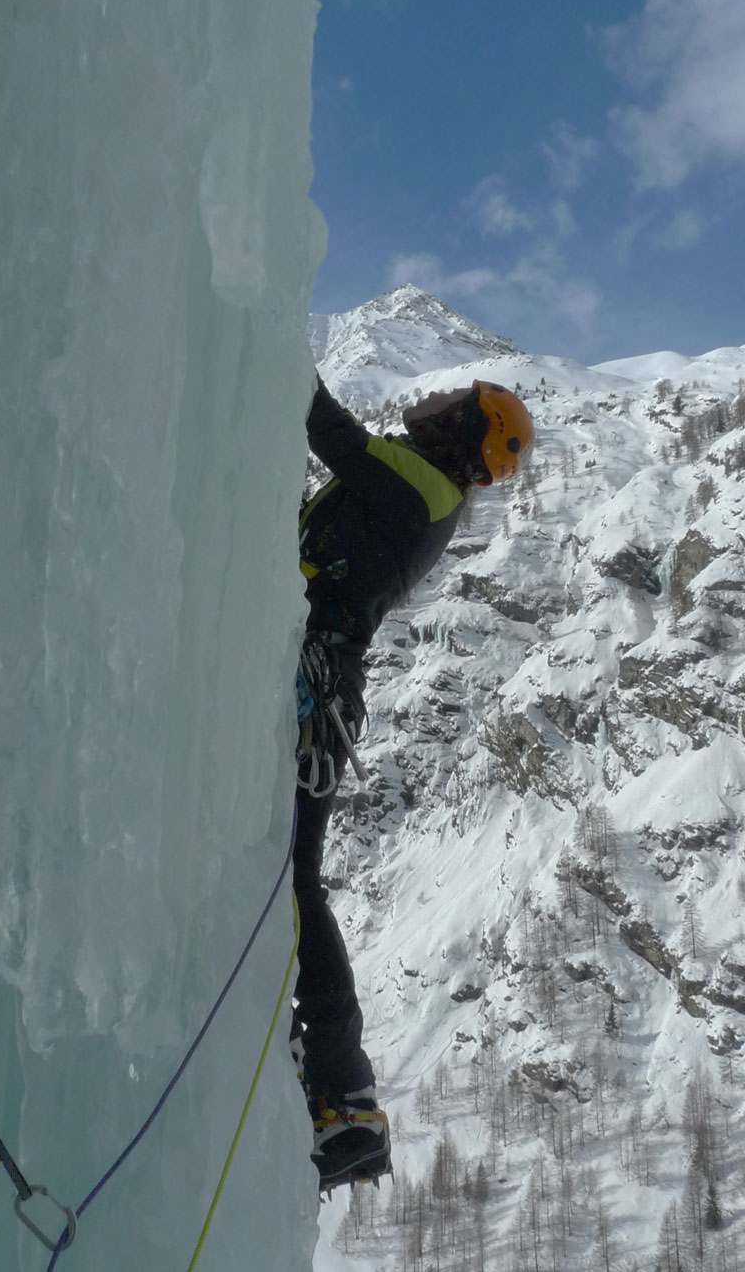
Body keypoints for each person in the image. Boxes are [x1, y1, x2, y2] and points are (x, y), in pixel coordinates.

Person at [292, 375, 534, 1191]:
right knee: (292, 876)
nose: (428, 402)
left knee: (293, 880)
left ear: (464, 429)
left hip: (314, 685)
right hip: (319, 680)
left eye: (449, 404)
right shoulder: (425, 490)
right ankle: (337, 1087)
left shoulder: (421, 486)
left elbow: (325, 426)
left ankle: (344, 1090)